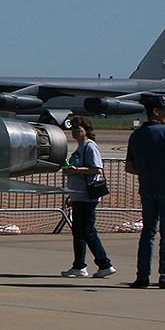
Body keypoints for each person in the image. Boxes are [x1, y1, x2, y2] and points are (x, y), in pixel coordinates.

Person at [60, 115, 113, 278]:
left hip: (87, 196)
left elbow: (97, 169)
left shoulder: (90, 147)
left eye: (78, 128)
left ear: (86, 131)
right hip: (78, 195)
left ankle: (104, 263)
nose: (75, 132)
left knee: (88, 231)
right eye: (73, 128)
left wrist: (76, 170)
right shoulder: (79, 148)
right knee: (78, 232)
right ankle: (79, 265)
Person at [125, 93, 165, 288]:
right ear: (157, 112)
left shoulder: (136, 135)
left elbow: (130, 166)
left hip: (147, 188)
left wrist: (147, 172)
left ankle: (142, 275)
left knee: (148, 232)